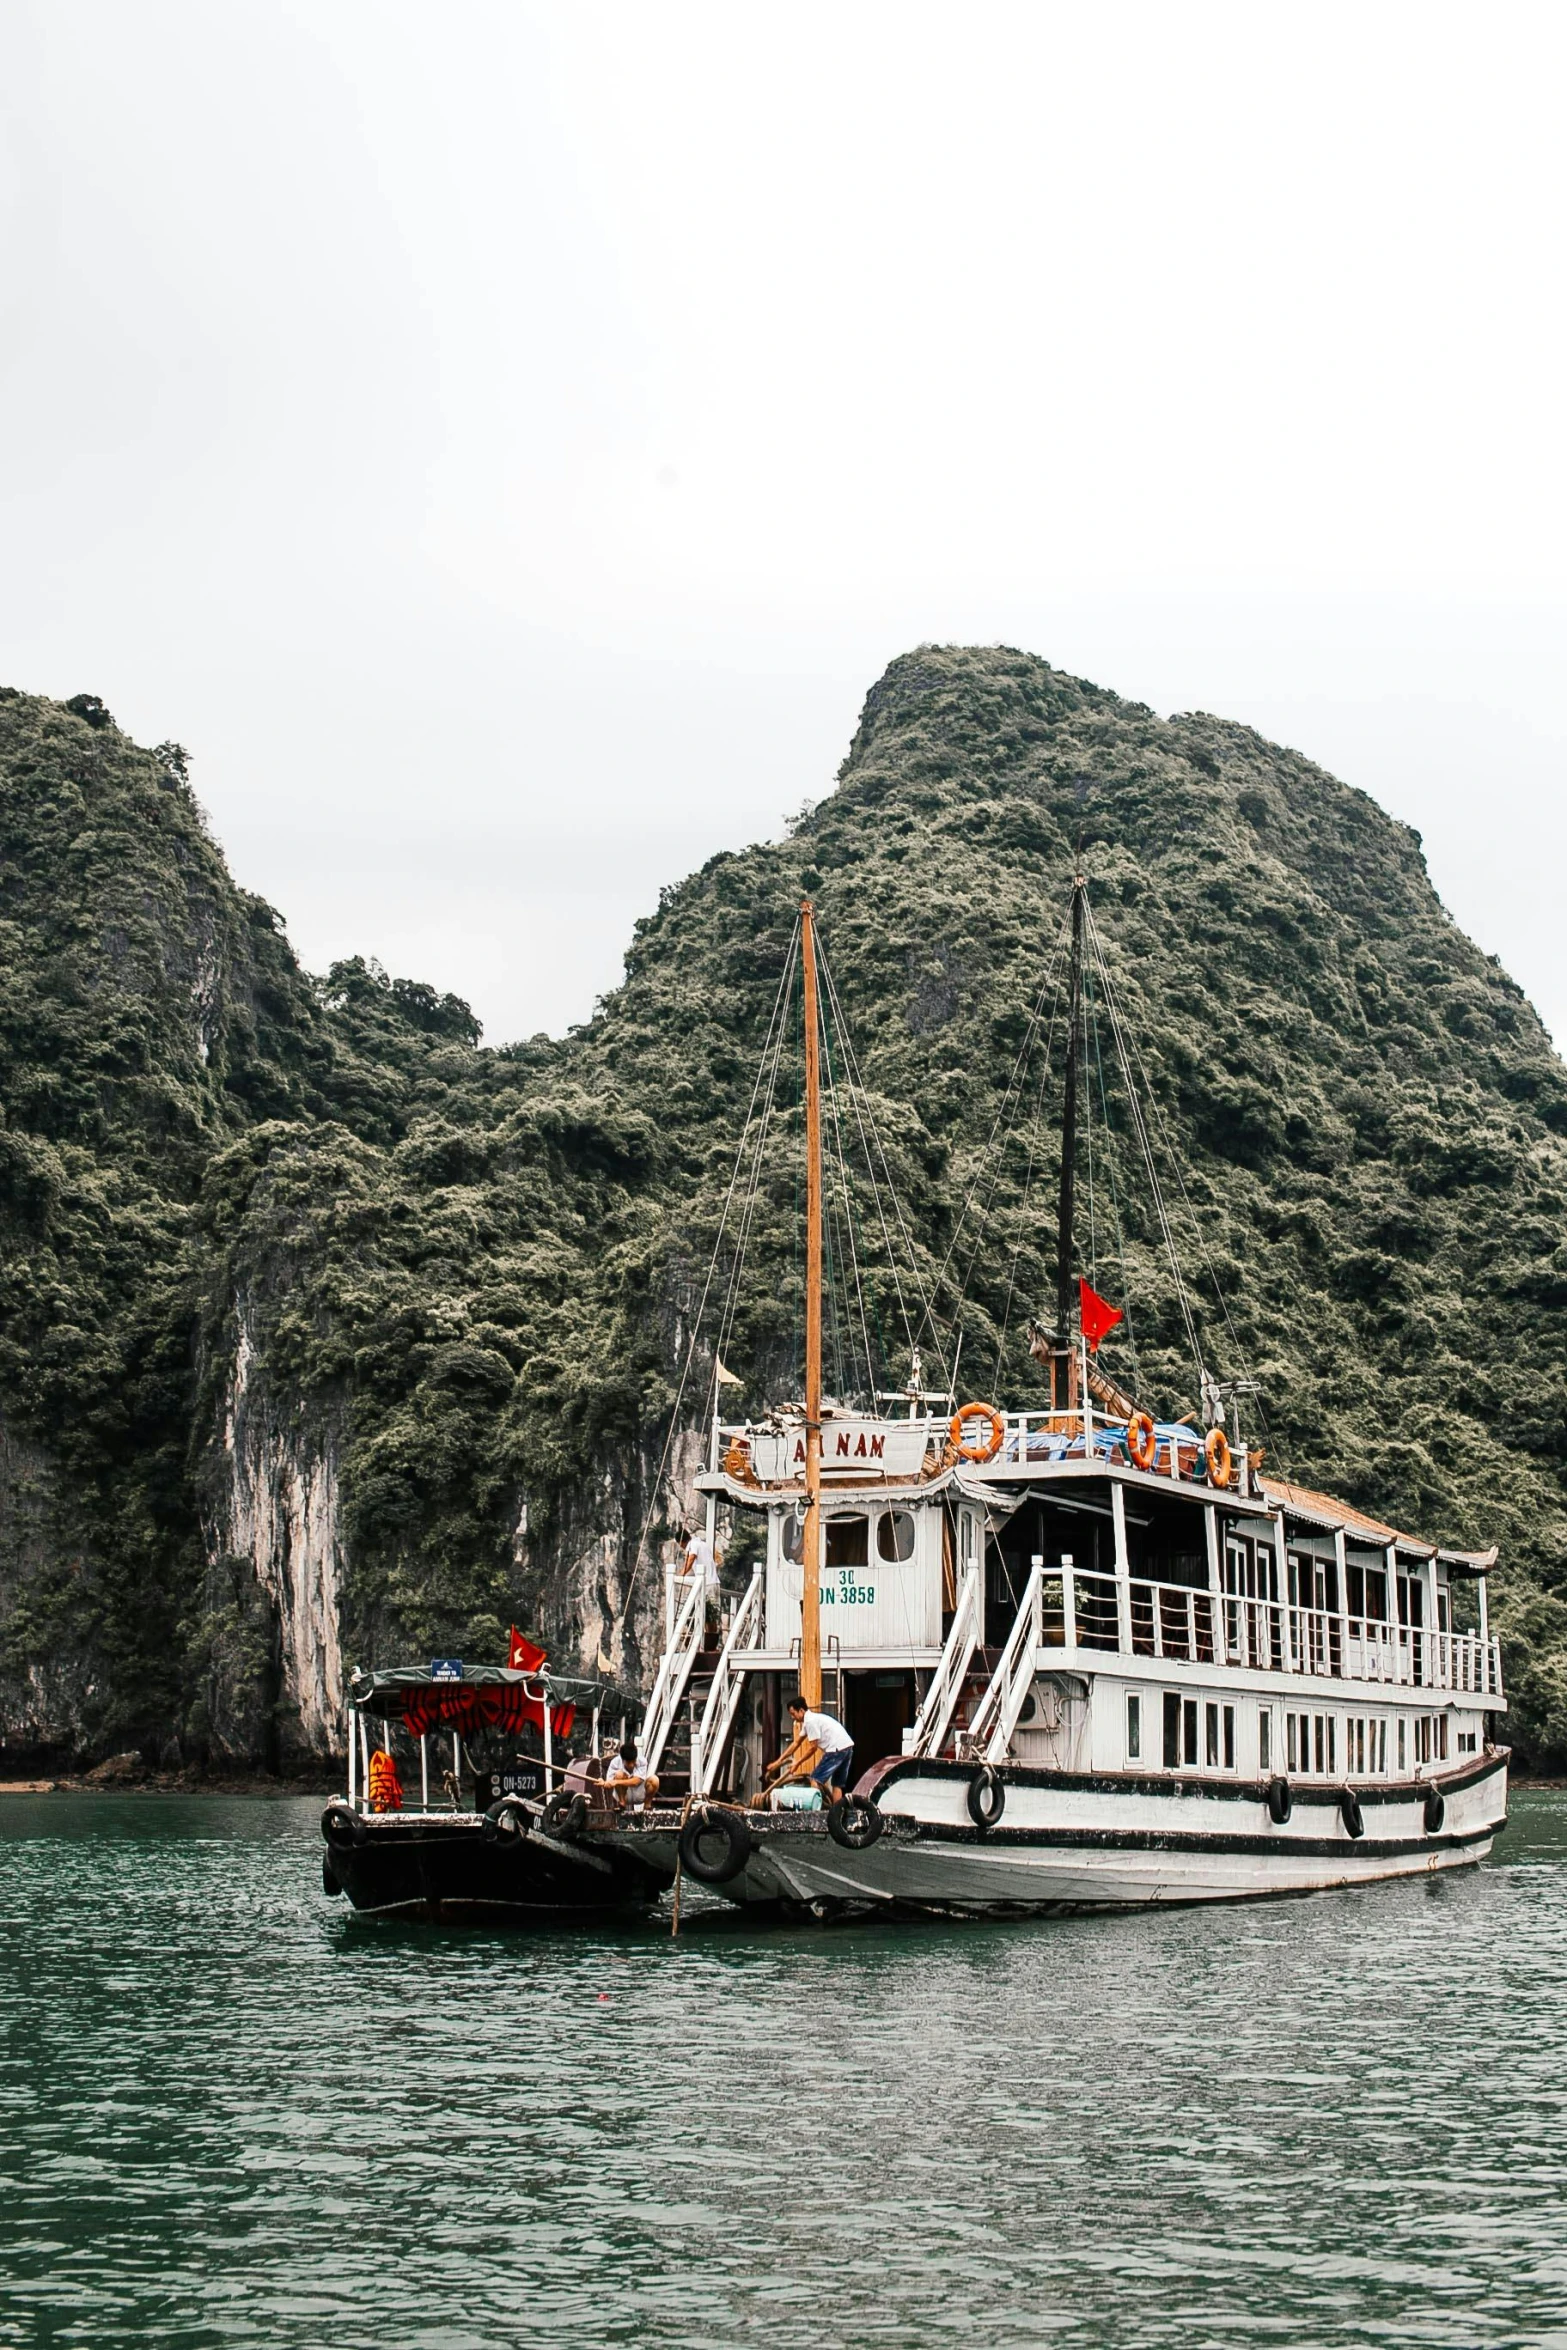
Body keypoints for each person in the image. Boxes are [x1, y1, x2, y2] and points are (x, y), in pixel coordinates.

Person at [778, 1694, 854, 1806]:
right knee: (837, 1784)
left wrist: (797, 1763)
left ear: (801, 1711)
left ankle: (817, 1811)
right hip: (846, 1747)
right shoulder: (811, 1720)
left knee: (815, 1780)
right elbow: (796, 1743)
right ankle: (836, 1813)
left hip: (836, 1749)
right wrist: (778, 1761)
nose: (792, 1717)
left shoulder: (810, 1722)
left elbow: (813, 1748)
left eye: (793, 1714)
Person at [601, 1737, 660, 1813]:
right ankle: (622, 1803)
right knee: (619, 1774)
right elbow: (609, 1783)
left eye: (634, 1761)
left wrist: (616, 1782)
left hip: (639, 1793)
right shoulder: (615, 1762)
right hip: (624, 1794)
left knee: (655, 1780)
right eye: (629, 1763)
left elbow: (636, 1781)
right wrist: (604, 1783)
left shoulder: (642, 1761)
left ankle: (647, 1806)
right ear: (622, 1760)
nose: (632, 1765)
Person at [681, 1526, 723, 1630]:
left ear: (681, 1542)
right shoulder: (703, 1544)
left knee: (708, 1615)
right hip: (714, 1583)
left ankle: (709, 1642)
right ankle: (710, 1641)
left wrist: (681, 1574)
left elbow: (691, 1558)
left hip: (708, 1585)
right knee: (711, 1615)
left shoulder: (693, 1545)